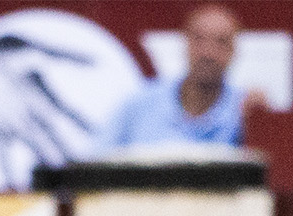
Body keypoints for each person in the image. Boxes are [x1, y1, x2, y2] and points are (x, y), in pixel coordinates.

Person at [96, 4, 268, 151]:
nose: (208, 53)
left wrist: (260, 126)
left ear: (234, 51)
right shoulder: (139, 106)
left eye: (221, 42)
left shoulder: (244, 111)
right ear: (185, 43)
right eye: (199, 39)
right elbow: (96, 165)